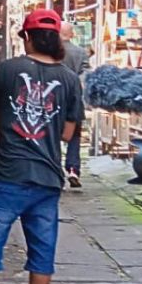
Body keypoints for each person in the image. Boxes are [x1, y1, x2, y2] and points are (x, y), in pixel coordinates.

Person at [0, 9, 82, 284]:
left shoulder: (7, 70)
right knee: (43, 248)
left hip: (8, 174)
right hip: (47, 179)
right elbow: (67, 133)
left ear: (27, 37)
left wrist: (12, 129)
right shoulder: (69, 79)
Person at [59, 22, 91, 187]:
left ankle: (55, 171)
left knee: (52, 137)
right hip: (74, 101)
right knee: (74, 137)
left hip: (54, 101)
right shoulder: (80, 52)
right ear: (71, 34)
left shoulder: (51, 52)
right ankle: (73, 169)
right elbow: (85, 74)